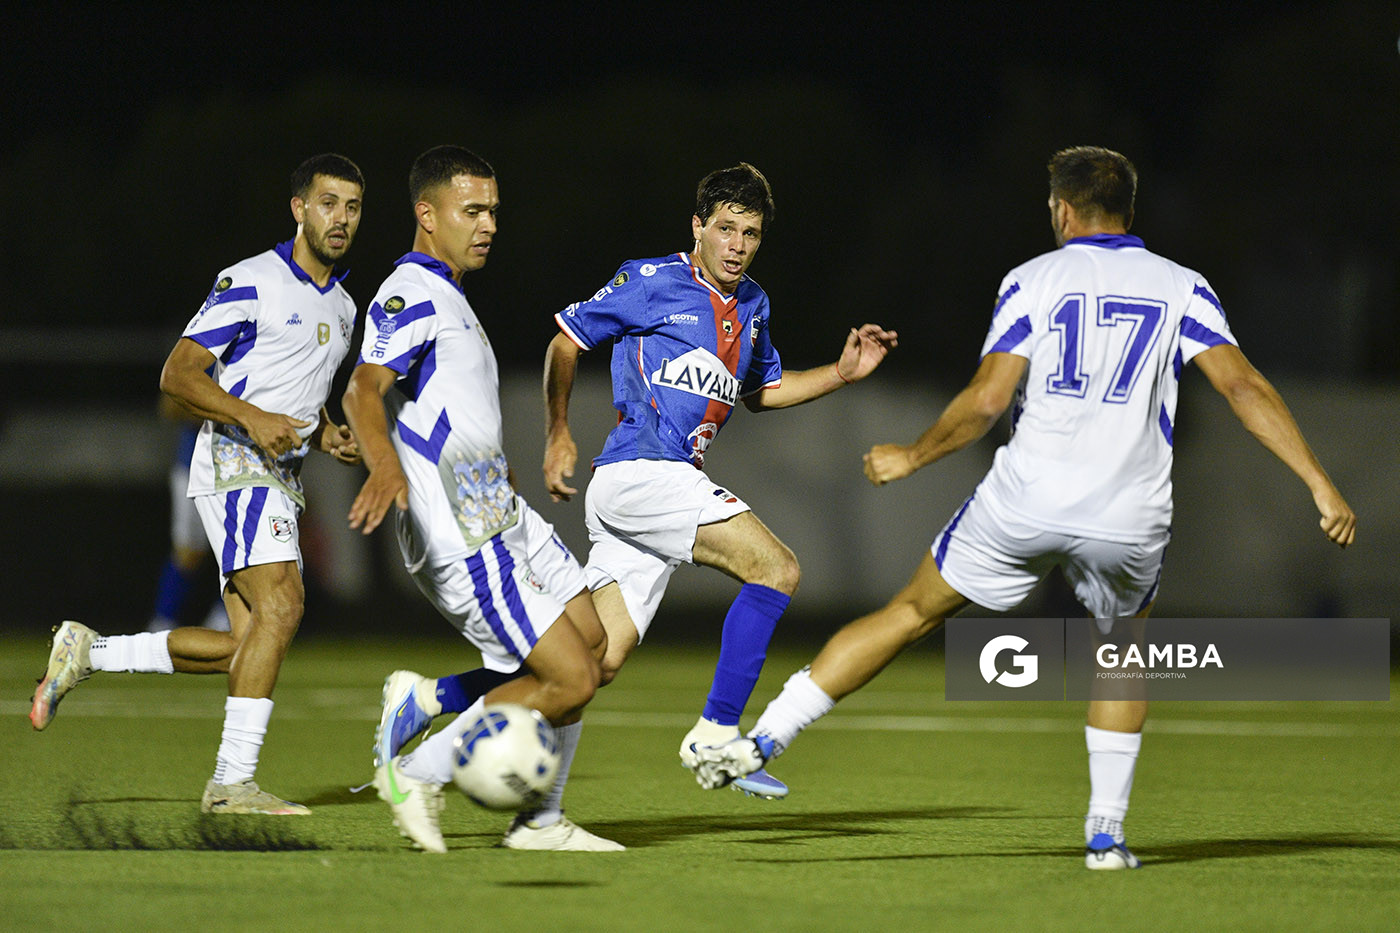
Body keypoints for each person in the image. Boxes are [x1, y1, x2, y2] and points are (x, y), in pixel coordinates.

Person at [687, 146, 1356, 868]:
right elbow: (1245, 389)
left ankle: (765, 738)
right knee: (1123, 655)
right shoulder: (1182, 285)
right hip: (1127, 510)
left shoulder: (1034, 278)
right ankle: (1105, 834)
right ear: (1128, 209)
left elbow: (987, 399)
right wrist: (1319, 483)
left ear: (1061, 210)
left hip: (1027, 496)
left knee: (909, 613)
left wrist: (911, 456)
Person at [373, 162, 898, 801]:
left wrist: (842, 374)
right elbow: (564, 343)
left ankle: (428, 704)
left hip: (664, 487)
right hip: (639, 475)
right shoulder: (652, 280)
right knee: (777, 569)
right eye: (726, 229)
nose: (737, 245)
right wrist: (558, 431)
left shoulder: (753, 303)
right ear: (698, 227)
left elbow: (763, 391)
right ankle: (716, 731)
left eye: (751, 234)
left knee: (591, 664)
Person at [30, 153, 366, 816]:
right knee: (285, 607)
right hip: (234, 462)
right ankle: (231, 784)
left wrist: (328, 434)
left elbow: (304, 395)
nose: (342, 218)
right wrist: (253, 416)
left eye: (354, 207)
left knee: (247, 647)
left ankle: (91, 650)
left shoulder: (347, 307)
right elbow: (178, 374)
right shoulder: (250, 280)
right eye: (329, 202)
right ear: (298, 208)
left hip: (282, 476)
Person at [342, 145, 617, 853]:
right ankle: (416, 773)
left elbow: (440, 413)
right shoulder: (409, 290)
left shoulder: (452, 296)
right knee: (571, 676)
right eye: (473, 210)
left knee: (595, 646)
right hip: (464, 534)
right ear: (426, 215)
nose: (489, 223)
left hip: (500, 512)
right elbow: (361, 387)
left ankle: (435, 708)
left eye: (493, 209)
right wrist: (383, 465)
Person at [146, 395, 229, 633]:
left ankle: (225, 619)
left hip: (246, 468)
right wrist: (232, 413)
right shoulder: (207, 357)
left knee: (241, 547)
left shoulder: (260, 358)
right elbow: (169, 407)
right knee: (189, 551)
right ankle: (162, 622)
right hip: (195, 465)